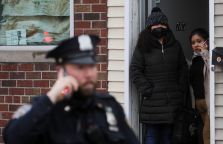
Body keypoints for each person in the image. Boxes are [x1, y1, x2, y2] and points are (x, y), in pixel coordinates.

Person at [3, 35, 140, 144]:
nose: (88, 74)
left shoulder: (108, 107)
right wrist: (51, 98)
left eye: (91, 66)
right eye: (80, 67)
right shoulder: (43, 110)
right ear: (61, 71)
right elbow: (14, 138)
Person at [130, 7, 188, 144]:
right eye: (156, 24)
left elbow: (183, 68)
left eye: (162, 24)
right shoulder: (142, 46)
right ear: (150, 27)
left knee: (168, 137)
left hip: (171, 102)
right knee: (152, 137)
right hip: (152, 103)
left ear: (167, 26)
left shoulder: (175, 45)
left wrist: (180, 89)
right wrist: (147, 89)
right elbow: (135, 70)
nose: (159, 27)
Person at [189, 28, 210, 144]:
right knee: (201, 134)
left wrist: (205, 52)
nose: (196, 44)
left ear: (205, 41)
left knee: (207, 135)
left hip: (208, 102)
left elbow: (213, 72)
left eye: (199, 41)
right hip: (198, 103)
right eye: (193, 42)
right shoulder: (194, 60)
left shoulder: (208, 57)